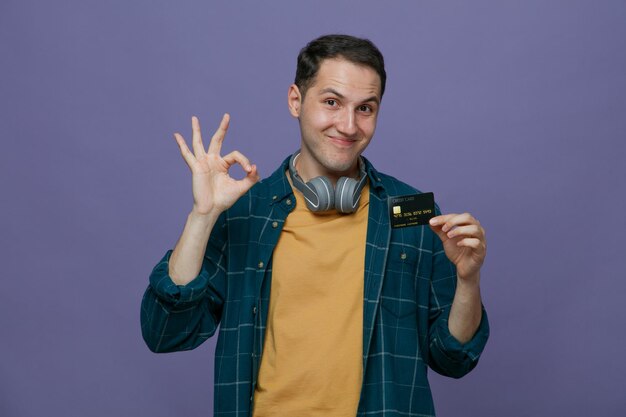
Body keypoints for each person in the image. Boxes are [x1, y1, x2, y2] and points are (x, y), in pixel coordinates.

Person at [141, 34, 489, 417]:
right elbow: (165, 333)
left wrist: (468, 280)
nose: (348, 125)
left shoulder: (414, 212)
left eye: (366, 109)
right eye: (331, 102)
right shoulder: (246, 211)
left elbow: (454, 358)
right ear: (296, 101)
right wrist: (202, 217)